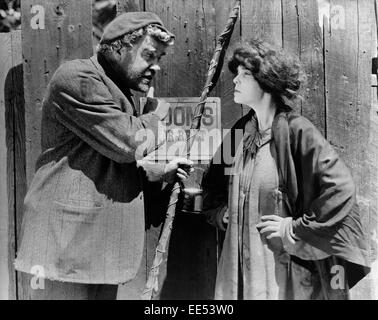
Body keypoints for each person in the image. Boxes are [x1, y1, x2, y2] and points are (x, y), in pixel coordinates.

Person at [14, 12, 193, 300]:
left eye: (159, 57)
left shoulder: (115, 89)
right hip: (63, 252)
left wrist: (160, 172)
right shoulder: (78, 77)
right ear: (120, 47)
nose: (156, 66)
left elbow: (99, 163)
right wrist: (156, 115)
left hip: (95, 254)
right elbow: (127, 143)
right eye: (149, 55)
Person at [202, 38, 370, 300]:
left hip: (279, 271)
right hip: (236, 269)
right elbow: (213, 184)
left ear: (266, 81)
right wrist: (221, 212)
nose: (236, 80)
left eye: (245, 74)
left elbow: (341, 190)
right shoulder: (236, 134)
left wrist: (292, 228)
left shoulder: (297, 131)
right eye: (237, 74)